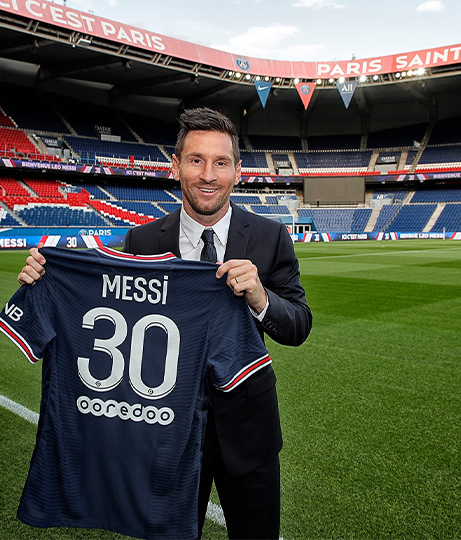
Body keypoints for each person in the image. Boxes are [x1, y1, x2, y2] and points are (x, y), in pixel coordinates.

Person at [18, 107, 312, 539]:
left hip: (248, 433)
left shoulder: (270, 237)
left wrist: (260, 297)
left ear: (237, 171)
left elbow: (299, 325)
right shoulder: (142, 241)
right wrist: (46, 280)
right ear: (175, 166)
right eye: (196, 160)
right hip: (162, 433)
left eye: (220, 162)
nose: (208, 175)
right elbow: (107, 309)